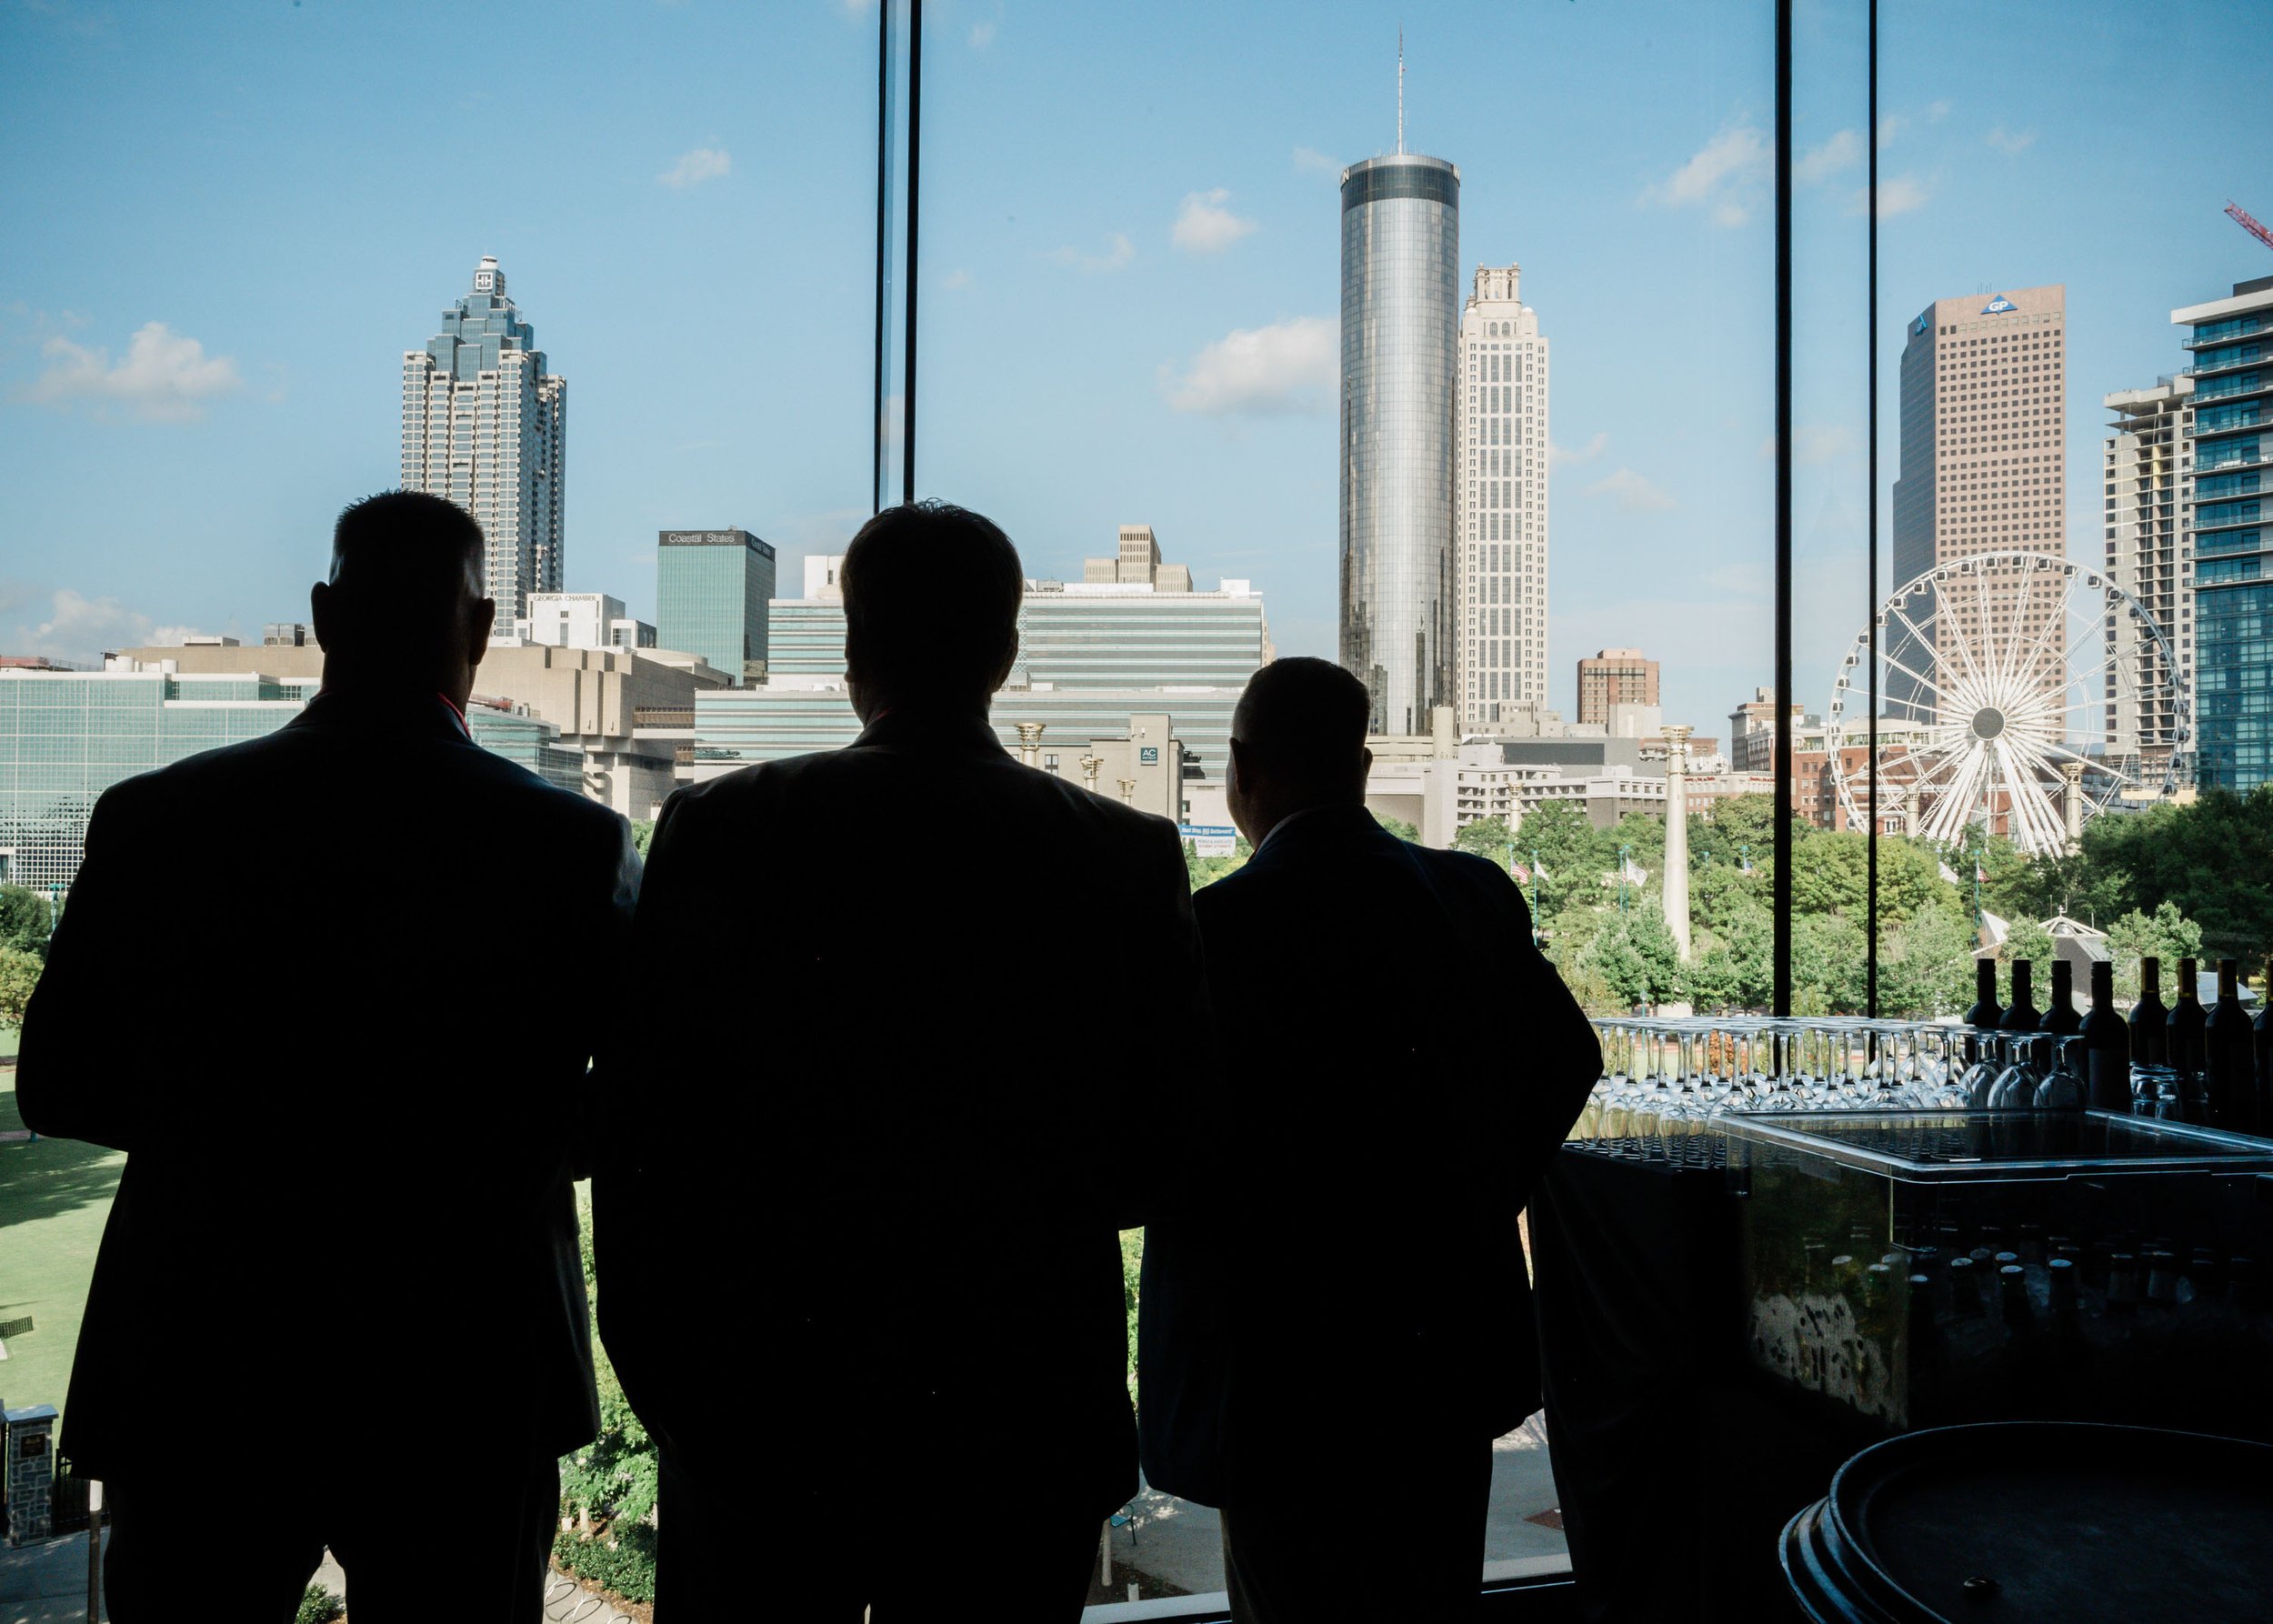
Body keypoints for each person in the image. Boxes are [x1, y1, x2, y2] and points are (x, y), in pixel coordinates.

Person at [17, 492, 639, 1621]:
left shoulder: (161, 818)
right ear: (482, 625)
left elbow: (60, 1081)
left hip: (204, 1348)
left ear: (322, 617)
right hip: (466, 1359)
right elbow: (636, 1103)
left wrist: (245, 1130)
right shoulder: (567, 844)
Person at [596, 500, 1211, 1620]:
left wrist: (669, 1384)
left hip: (764, 1413)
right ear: (1005, 654)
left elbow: (642, 1138)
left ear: (851, 651)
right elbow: (1167, 1148)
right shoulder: (1125, 856)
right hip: (1016, 1419)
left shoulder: (722, 829)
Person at [1137, 657, 1600, 1623]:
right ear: (1360, 764)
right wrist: (1481, 1194)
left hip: (1270, 1369)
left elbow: (1156, 1139)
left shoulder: (1207, 929)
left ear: (1240, 769)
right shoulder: (1471, 896)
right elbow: (1567, 1058)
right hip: (1437, 1347)